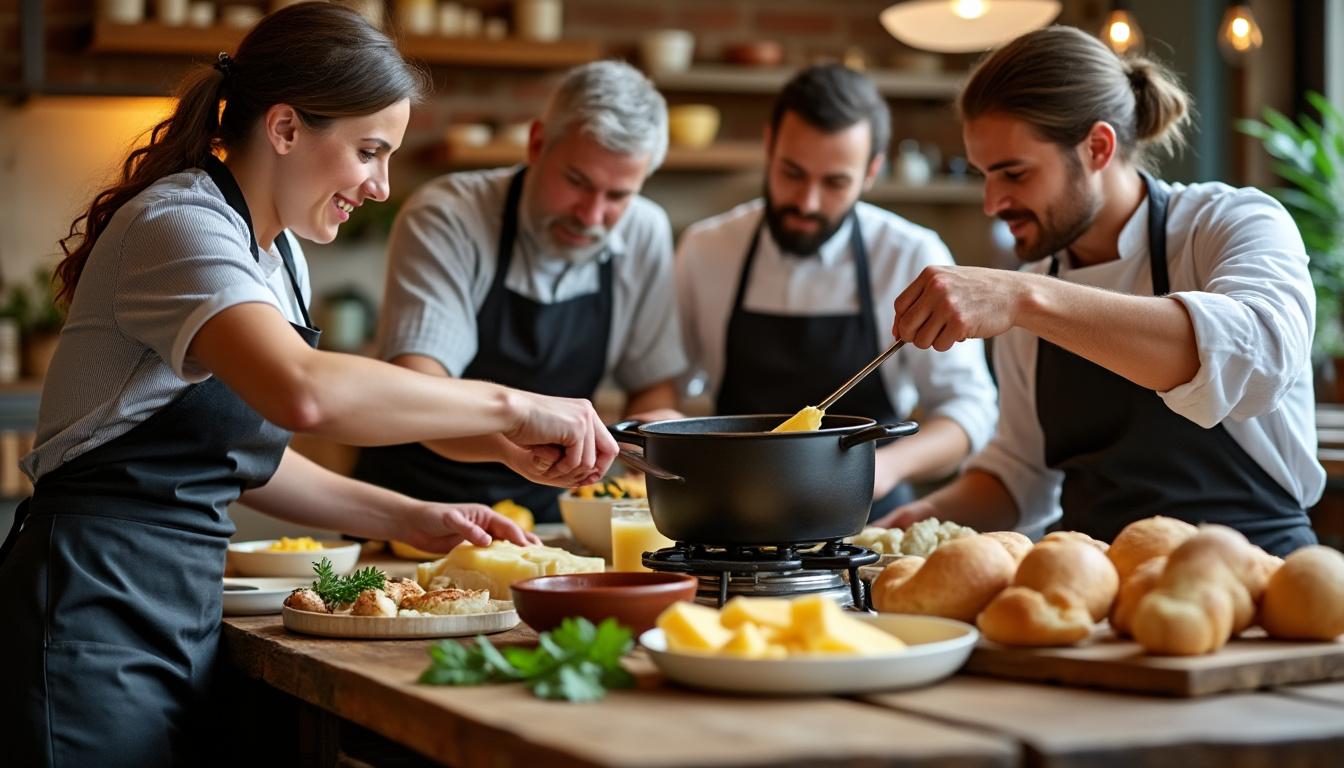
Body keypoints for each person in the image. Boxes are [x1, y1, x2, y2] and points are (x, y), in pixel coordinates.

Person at [0, 5, 616, 766]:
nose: (382, 185)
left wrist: (413, 515)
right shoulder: (181, 224)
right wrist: (514, 406)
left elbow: (235, 455)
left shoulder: (278, 251)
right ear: (286, 129)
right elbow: (306, 392)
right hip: (90, 602)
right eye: (369, 151)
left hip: (176, 602)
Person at [875, 26, 1321, 555]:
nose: (992, 203)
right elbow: (1020, 473)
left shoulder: (1229, 222)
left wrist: (1025, 299)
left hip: (1258, 570)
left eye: (1014, 174)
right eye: (984, 176)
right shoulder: (1034, 290)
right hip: (1095, 590)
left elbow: (1259, 359)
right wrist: (921, 517)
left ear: (1098, 147)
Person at [351, 60, 686, 523]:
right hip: (417, 510)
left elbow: (651, 386)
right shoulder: (449, 217)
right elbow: (420, 392)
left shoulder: (646, 231)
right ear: (536, 143)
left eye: (617, 197)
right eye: (577, 181)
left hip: (553, 518)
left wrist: (653, 434)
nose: (591, 215)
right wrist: (515, 448)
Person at [675, 64, 998, 518]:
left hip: (868, 512)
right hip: (735, 512)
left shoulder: (910, 254)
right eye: (792, 173)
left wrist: (882, 468)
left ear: (871, 173)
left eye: (834, 183)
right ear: (769, 147)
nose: (807, 202)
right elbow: (665, 387)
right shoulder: (707, 248)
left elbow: (970, 409)